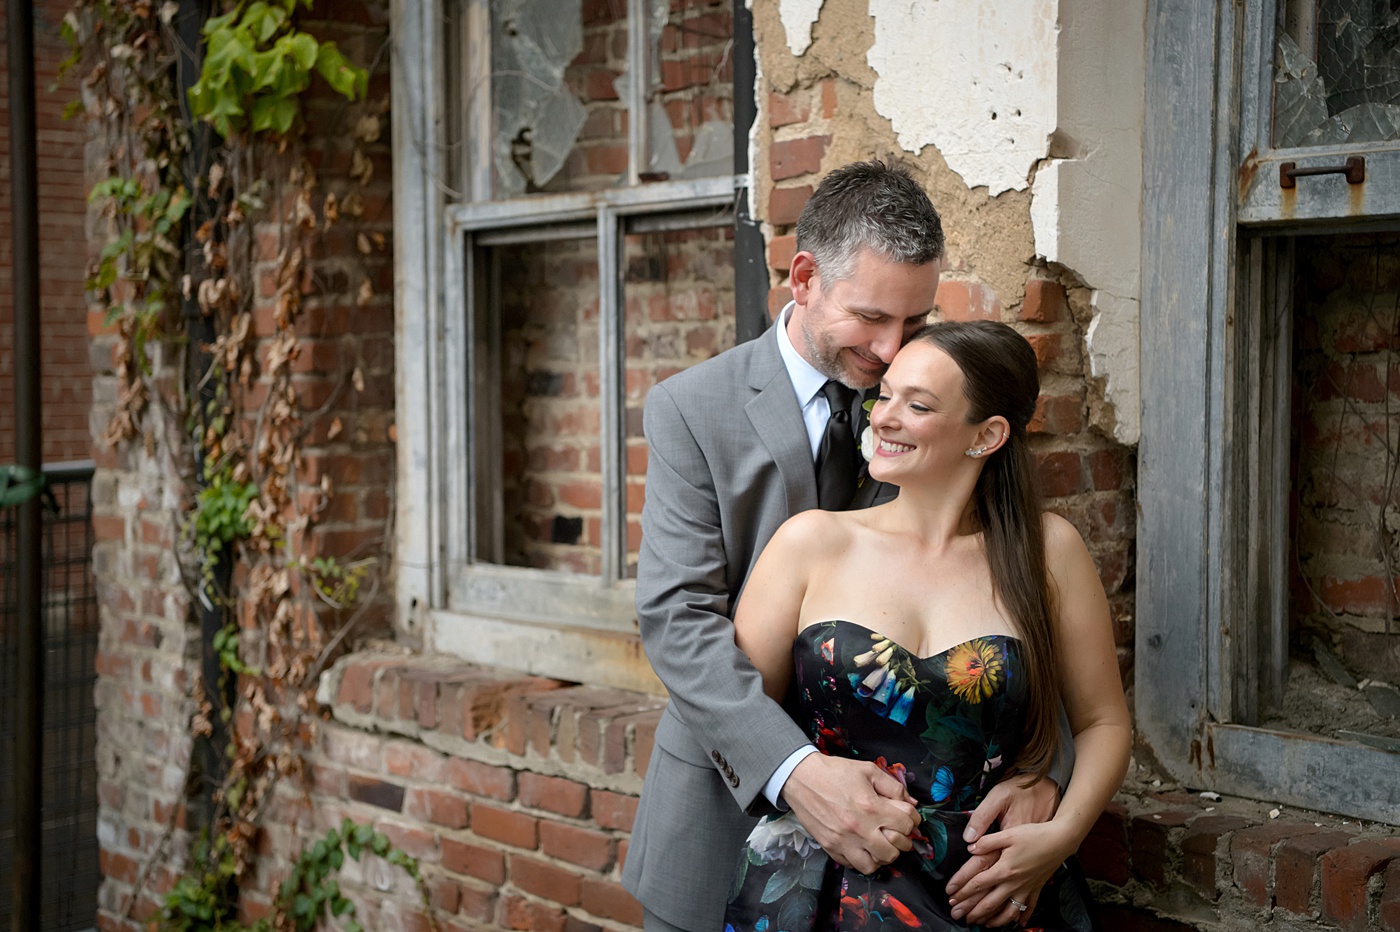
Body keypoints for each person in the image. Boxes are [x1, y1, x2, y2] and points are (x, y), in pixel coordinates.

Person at [620, 161, 1072, 932]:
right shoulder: (692, 410)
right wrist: (794, 773)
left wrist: (1044, 777)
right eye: (871, 318)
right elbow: (678, 619)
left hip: (923, 869)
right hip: (729, 818)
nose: (893, 347)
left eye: (915, 321)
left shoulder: (924, 404)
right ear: (803, 279)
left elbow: (1013, 598)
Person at [723, 320, 1132, 930]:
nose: (882, 418)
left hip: (991, 889)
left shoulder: (1048, 552)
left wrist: (1062, 835)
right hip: (820, 885)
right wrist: (804, 781)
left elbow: (1103, 721)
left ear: (987, 435)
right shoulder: (809, 543)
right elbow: (737, 711)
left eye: (916, 405)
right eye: (883, 395)